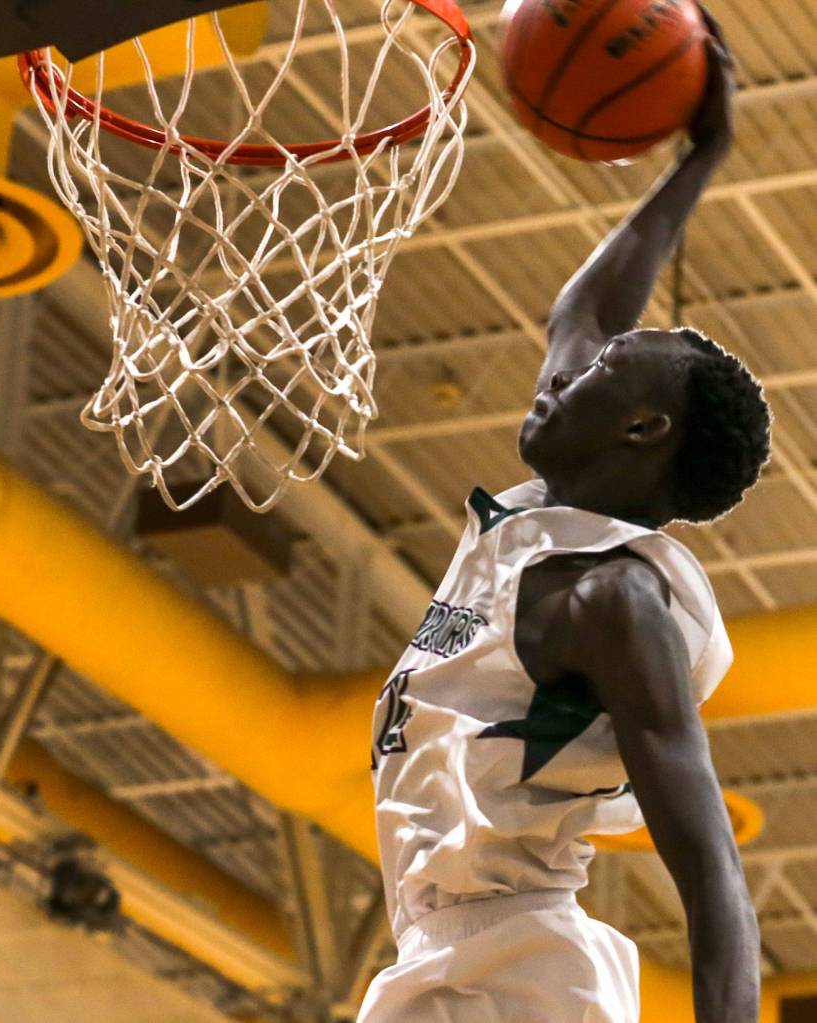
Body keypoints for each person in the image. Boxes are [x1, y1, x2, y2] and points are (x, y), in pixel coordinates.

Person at [358, 10, 767, 1023]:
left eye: (594, 372)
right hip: (442, 955)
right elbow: (582, 312)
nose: (560, 368)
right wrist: (701, 153)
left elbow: (713, 872)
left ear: (638, 429)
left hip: (518, 977)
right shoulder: (542, 514)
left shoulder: (613, 601)